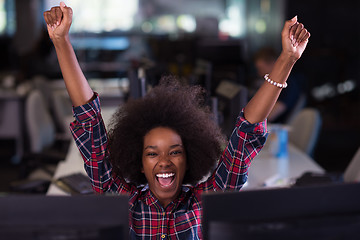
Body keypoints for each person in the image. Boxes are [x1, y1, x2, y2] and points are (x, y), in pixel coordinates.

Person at [44, 2, 310, 239]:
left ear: (189, 157)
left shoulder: (203, 203)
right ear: (139, 162)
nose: (164, 161)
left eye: (175, 151)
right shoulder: (123, 202)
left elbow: (246, 133)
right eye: (152, 153)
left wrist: (287, 58)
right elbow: (89, 121)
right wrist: (61, 41)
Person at [252, 47, 305, 123]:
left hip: (275, 129)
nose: (259, 73)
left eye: (261, 69)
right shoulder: (277, 82)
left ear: (273, 63)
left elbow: (270, 116)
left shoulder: (287, 84)